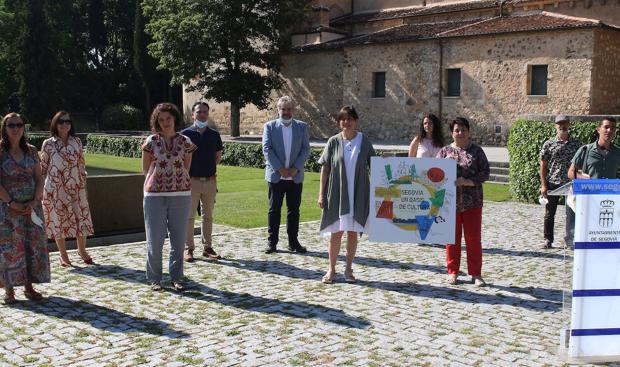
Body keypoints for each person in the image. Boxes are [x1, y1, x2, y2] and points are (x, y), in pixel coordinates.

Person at [142, 103, 196, 291]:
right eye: (161, 119)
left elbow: (186, 167)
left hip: (181, 195)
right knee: (154, 239)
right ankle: (155, 278)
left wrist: (176, 181)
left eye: (168, 118)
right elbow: (145, 169)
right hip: (154, 195)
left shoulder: (185, 141)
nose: (165, 122)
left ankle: (177, 276)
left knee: (178, 239)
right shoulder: (150, 141)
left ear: (175, 119)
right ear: (157, 121)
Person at [318, 106, 375, 283]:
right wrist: (321, 194)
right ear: (339, 121)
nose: (346, 122)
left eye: (349, 118)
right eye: (343, 119)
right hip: (337, 194)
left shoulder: (363, 141)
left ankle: (348, 269)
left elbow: (376, 164)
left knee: (352, 232)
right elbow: (325, 168)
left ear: (355, 120)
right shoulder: (333, 141)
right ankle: (331, 269)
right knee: (336, 233)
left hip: (357, 193)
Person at [0, 113, 50, 304]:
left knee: (32, 245)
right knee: (10, 248)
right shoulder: (0, 151)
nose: (16, 128)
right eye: (11, 125)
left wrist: (35, 201)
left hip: (31, 209)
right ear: (5, 128)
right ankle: (9, 290)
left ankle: (29, 286)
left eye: (19, 125)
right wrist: (11, 203)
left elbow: (39, 177)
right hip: (7, 209)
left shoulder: (31, 150)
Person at [437, 117, 490, 286]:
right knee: (451, 239)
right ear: (452, 133)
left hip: (472, 202)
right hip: (449, 203)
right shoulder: (444, 152)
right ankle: (453, 272)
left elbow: (485, 173)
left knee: (473, 239)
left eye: (463, 130)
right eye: (457, 130)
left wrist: (467, 181)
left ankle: (476, 273)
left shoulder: (477, 151)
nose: (460, 133)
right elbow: (431, 174)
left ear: (469, 132)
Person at [41, 111, 95, 266]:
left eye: (68, 121)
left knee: (81, 218)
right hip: (55, 189)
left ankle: (82, 250)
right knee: (58, 220)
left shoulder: (77, 142)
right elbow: (43, 168)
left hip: (76, 187)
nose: (65, 124)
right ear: (55, 124)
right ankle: (63, 255)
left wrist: (83, 182)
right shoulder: (48, 144)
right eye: (61, 121)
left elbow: (81, 163)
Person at [261, 96, 310, 254]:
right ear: (278, 110)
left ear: (293, 110)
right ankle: (272, 242)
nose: (286, 112)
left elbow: (305, 150)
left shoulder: (302, 127)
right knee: (274, 210)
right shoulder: (269, 126)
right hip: (276, 176)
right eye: (283, 109)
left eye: (289, 109)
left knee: (294, 211)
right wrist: (280, 168)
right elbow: (267, 149)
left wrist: (296, 168)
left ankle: (293, 242)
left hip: (295, 176)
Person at [182, 102, 223, 262]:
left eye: (205, 112)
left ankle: (207, 247)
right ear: (193, 114)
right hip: (191, 181)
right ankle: (188, 248)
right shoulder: (185, 135)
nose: (202, 115)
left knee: (208, 216)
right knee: (189, 216)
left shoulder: (214, 134)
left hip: (210, 181)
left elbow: (217, 157)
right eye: (199, 112)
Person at [539, 115, 582, 249]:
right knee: (549, 214)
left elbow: (581, 164)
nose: (562, 126)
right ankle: (548, 239)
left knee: (571, 213)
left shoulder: (577, 144)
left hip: (571, 184)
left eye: (565, 123)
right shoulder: (549, 144)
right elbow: (543, 165)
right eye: (559, 124)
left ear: (569, 125)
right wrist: (543, 185)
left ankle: (570, 240)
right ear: (555, 126)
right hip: (553, 182)